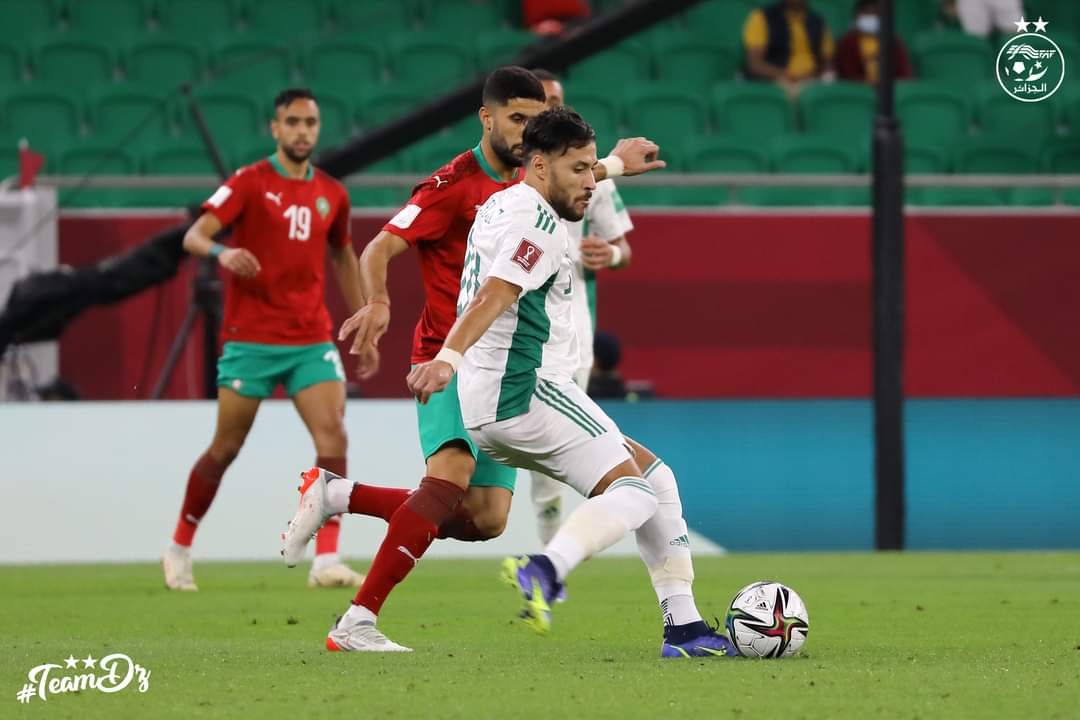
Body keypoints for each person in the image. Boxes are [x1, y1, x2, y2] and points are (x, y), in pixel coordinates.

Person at [279, 67, 666, 652]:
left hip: (508, 368)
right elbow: (379, 247)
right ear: (487, 119)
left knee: (485, 519)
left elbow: (569, 176)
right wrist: (378, 301)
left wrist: (612, 164)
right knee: (449, 477)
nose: (527, 130)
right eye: (517, 118)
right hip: (448, 356)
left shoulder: (530, 180)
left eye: (536, 120)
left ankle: (337, 495)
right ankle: (357, 621)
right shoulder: (452, 184)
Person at [408, 107, 735, 659]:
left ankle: (683, 628)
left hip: (494, 400)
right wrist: (447, 357)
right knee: (634, 493)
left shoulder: (505, 200)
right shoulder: (535, 226)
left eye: (591, 168)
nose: (590, 182)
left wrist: (614, 165)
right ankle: (546, 568)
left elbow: (566, 180)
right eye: (580, 170)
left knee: (657, 480)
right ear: (539, 166)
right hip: (525, 392)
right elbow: (496, 293)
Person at [161, 89, 365, 592]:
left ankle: (327, 559)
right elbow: (194, 235)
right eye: (292, 122)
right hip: (250, 340)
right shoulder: (249, 182)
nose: (302, 131)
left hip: (310, 338)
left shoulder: (332, 193)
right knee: (226, 447)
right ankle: (179, 546)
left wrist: (363, 313)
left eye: (310, 123)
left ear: (318, 128)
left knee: (333, 437)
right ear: (275, 128)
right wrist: (222, 254)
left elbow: (342, 254)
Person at [528, 68, 634, 546]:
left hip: (572, 326)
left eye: (557, 100)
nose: (551, 108)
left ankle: (551, 556)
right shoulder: (512, 175)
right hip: (513, 324)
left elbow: (623, 249)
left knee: (563, 447)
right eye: (542, 100)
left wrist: (608, 254)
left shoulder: (595, 178)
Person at [743, 0, 834, 97]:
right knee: (800, 94)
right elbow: (755, 65)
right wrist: (790, 76)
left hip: (812, 81)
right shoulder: (762, 17)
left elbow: (827, 61)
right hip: (777, 80)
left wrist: (817, 75)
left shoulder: (817, 21)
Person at [835, 0, 913, 84]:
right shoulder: (846, 43)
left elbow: (904, 73)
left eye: (875, 13)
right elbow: (848, 75)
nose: (871, 17)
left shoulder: (893, 42)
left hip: (891, 88)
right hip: (859, 89)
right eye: (866, 13)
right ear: (856, 16)